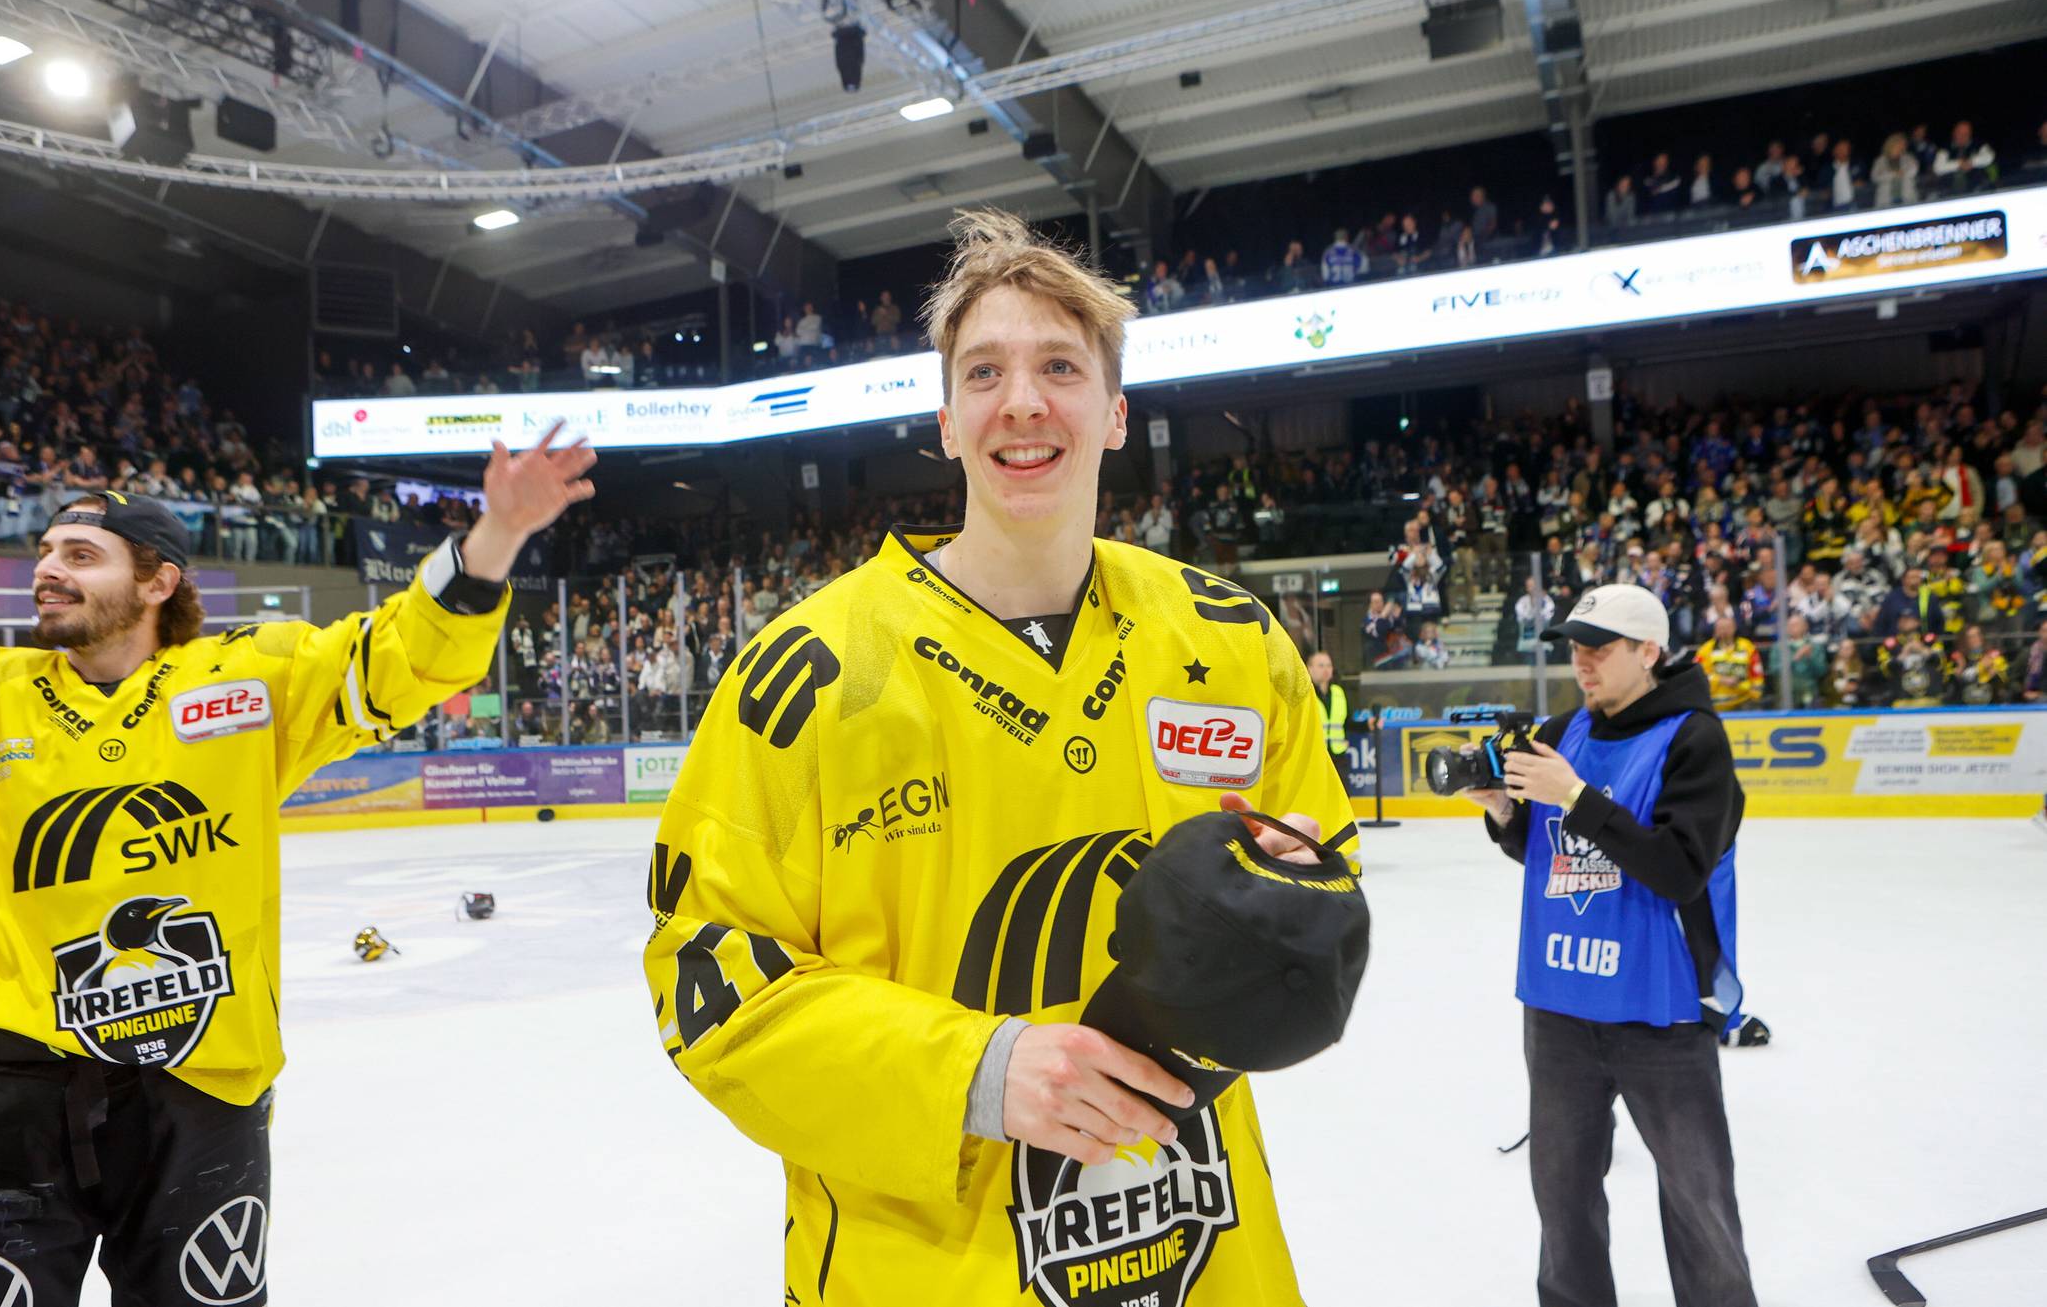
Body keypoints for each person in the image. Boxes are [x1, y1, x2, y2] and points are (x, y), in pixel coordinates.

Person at [642, 209, 1357, 1304]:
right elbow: (710, 974)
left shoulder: (1230, 640)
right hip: (920, 1269)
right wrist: (976, 1071)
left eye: (1060, 366)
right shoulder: (808, 672)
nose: (1022, 400)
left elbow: (1325, 884)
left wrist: (1297, 904)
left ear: (1115, 413)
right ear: (946, 422)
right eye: (985, 371)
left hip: (1205, 1255)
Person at [0, 428, 595, 1303]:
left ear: (158, 581)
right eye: (46, 551)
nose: (47, 570)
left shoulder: (246, 683)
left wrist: (500, 533)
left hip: (199, 1087)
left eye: (81, 554)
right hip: (9, 1091)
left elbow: (403, 654)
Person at [1457, 584, 1757, 1307]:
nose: (1582, 661)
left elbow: (1678, 869)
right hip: (1559, 1003)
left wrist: (1576, 796)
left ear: (1648, 651)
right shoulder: (1564, 731)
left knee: (1698, 1205)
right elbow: (1550, 852)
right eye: (1575, 647)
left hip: (1661, 1011)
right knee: (1562, 1203)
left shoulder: (1693, 739)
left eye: (1600, 646)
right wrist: (1503, 813)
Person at [1697, 613, 1764, 711]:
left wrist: (1755, 696)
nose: (1724, 631)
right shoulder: (1705, 650)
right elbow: (1699, 675)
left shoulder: (1748, 647)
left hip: (1744, 702)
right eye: (1721, 628)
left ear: (1734, 628)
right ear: (1715, 630)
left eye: (1727, 627)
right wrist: (1721, 680)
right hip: (1714, 704)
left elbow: (1757, 675)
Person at [1310, 647, 1352, 795]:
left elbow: (1347, 722)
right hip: (1314, 755)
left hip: (1338, 755)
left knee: (1341, 796)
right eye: (1321, 665)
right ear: (1309, 669)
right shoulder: (1305, 694)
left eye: (1329, 665)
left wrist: (1367, 725)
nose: (1326, 669)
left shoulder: (1338, 692)